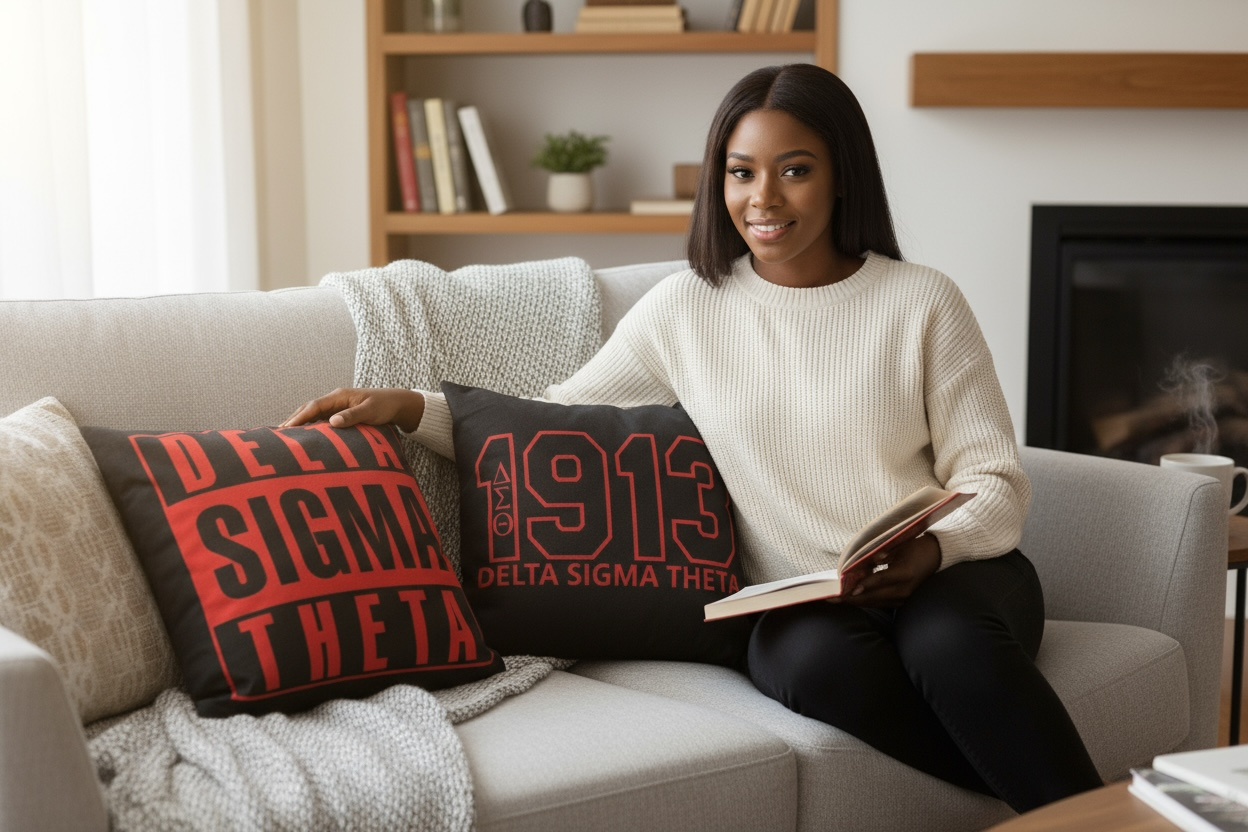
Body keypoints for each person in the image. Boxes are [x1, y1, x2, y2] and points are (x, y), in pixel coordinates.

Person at [283, 63, 1103, 813]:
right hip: (802, 601)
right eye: (742, 173)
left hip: (950, 576)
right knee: (813, 667)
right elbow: (551, 423)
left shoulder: (923, 302)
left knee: (947, 647)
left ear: (843, 174)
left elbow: (995, 481)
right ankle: (1074, 802)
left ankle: (1090, 815)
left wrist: (933, 550)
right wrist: (409, 409)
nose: (763, 198)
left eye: (795, 170)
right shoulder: (687, 310)